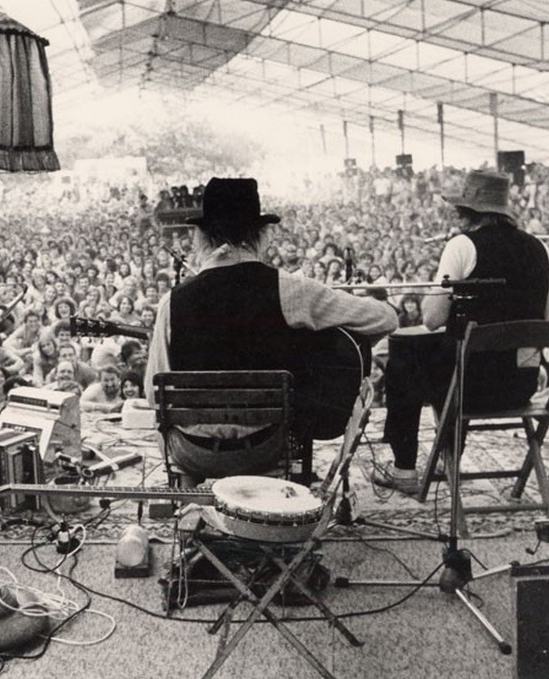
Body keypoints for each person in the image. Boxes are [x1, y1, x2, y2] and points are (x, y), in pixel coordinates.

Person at [145, 176, 398, 481]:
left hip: (192, 453)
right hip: (266, 448)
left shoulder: (171, 303)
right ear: (260, 233)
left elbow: (153, 394)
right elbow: (386, 319)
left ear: (201, 236)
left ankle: (189, 503)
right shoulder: (292, 290)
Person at [378, 170, 549, 587]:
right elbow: (543, 319)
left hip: (470, 387)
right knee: (429, 354)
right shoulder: (539, 249)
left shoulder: (462, 246)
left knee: (404, 347)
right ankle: (437, 456)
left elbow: (433, 319)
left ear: (467, 210)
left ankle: (404, 467)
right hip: (519, 385)